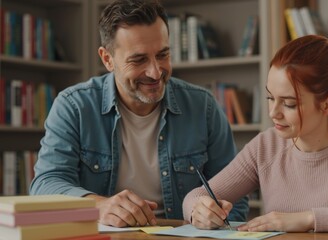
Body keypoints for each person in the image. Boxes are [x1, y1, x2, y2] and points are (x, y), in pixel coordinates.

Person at [29, 0, 248, 227]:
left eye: (163, 55)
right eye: (139, 59)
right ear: (107, 59)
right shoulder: (73, 107)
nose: (155, 72)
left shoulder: (204, 107)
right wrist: (98, 206)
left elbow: (236, 199)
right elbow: (45, 184)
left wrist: (213, 217)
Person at [182, 35, 328, 232]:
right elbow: (196, 196)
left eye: (288, 103)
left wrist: (307, 218)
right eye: (270, 98)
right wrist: (198, 210)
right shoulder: (266, 145)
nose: (273, 113)